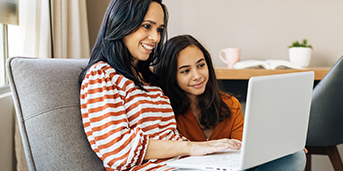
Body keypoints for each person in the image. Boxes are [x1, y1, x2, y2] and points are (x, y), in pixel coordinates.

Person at [78, 1, 241, 170]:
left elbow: (170, 138)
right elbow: (118, 150)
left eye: (159, 29)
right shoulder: (101, 75)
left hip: (182, 165)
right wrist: (192, 147)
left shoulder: (150, 81)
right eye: (147, 26)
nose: (156, 38)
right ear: (121, 23)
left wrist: (211, 155)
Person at [154, 34, 307, 170]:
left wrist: (280, 148)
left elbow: (246, 151)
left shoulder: (229, 104)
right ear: (171, 75)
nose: (197, 75)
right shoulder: (165, 111)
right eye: (185, 71)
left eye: (201, 65)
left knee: (297, 157)